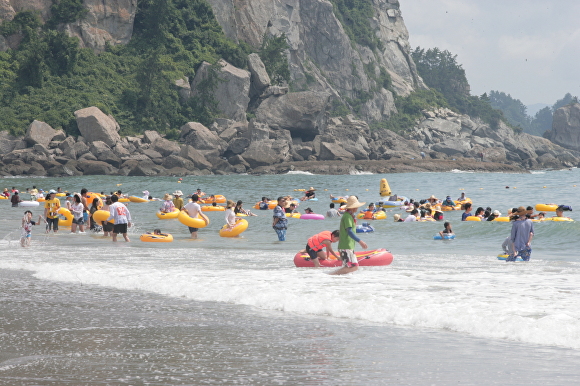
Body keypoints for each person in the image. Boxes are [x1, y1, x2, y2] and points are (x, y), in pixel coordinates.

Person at [330, 196, 368, 275]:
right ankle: (331, 275)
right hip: (346, 246)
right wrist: (360, 241)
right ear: (353, 207)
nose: (357, 208)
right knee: (354, 267)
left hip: (347, 245)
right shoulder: (347, 216)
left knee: (348, 267)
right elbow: (349, 231)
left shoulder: (349, 215)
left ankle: (342, 281)